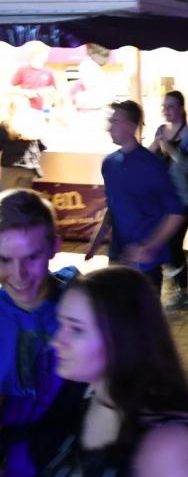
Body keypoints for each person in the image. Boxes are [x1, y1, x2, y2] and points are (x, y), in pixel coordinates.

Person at [45, 266, 188, 476]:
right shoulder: (90, 395)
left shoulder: (170, 450)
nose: (56, 342)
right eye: (60, 324)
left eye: (76, 329)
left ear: (122, 338)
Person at [0, 189, 85, 476]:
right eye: (4, 260)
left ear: (54, 246)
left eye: (32, 257)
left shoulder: (85, 308)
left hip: (71, 457)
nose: (19, 275)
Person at [86, 101, 184, 294]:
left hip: (145, 265)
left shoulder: (152, 165)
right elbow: (113, 207)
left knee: (143, 312)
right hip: (118, 256)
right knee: (117, 310)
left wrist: (149, 247)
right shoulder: (109, 163)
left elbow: (176, 213)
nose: (109, 127)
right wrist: (95, 242)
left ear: (131, 126)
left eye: (115, 121)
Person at [148, 91, 188, 309]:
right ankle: (174, 286)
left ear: (181, 108)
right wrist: (151, 150)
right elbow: (151, 160)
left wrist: (172, 150)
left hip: (183, 199)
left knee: (174, 245)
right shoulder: (160, 131)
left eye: (171, 106)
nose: (166, 110)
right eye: (164, 106)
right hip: (161, 199)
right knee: (165, 244)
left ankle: (183, 291)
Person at [0, 98, 47, 191]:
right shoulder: (33, 124)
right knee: (22, 195)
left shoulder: (6, 125)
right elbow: (42, 146)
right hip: (29, 167)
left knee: (7, 194)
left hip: (10, 166)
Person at [9, 41, 57, 111]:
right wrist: (25, 92)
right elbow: (9, 89)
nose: (44, 57)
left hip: (43, 110)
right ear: (33, 55)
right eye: (40, 54)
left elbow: (54, 89)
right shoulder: (23, 69)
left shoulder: (49, 71)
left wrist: (46, 91)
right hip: (25, 109)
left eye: (45, 54)